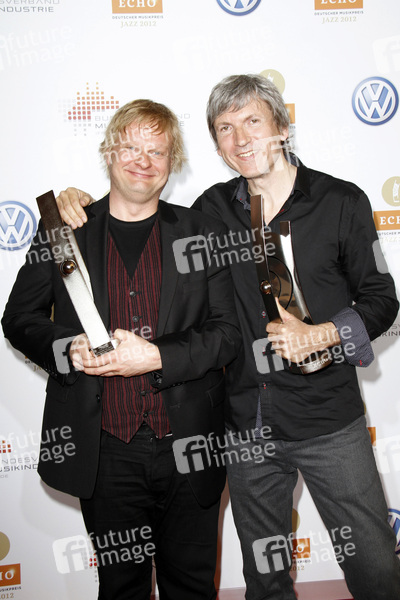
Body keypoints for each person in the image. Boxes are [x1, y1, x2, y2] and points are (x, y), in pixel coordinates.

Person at [51, 75, 400, 600]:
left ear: (282, 127)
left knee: (375, 569)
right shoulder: (211, 211)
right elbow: (134, 208)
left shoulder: (342, 200)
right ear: (216, 146)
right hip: (243, 426)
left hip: (329, 420)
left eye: (253, 121)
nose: (240, 138)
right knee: (265, 580)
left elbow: (382, 298)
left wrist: (325, 334)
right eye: (225, 128)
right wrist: (76, 202)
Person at [2, 99, 242, 600]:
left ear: (172, 163)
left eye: (157, 151)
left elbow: (227, 333)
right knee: (121, 588)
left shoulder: (202, 232)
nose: (143, 161)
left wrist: (157, 356)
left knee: (193, 587)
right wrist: (67, 348)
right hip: (104, 450)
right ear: (109, 151)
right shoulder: (63, 230)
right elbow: (18, 318)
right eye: (131, 147)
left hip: (190, 445)